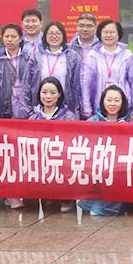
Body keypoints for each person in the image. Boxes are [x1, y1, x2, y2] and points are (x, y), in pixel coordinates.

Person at [24, 76, 79, 212]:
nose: (48, 96)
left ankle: (66, 198)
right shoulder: (33, 117)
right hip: (40, 161)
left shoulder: (69, 117)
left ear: (59, 94)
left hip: (61, 160)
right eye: (44, 92)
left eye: (52, 92)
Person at [78, 85, 132, 216]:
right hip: (97, 164)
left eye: (117, 100)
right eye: (109, 100)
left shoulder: (129, 122)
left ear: (122, 102)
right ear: (102, 101)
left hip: (119, 166)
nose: (112, 104)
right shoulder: (92, 122)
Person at [18, 21, 81, 119]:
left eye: (58, 33)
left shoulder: (72, 56)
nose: (54, 36)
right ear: (45, 36)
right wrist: (29, 111)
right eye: (50, 33)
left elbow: (77, 86)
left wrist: (75, 111)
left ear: (63, 36)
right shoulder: (36, 56)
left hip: (65, 109)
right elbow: (27, 84)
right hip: (40, 107)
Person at [80, 19, 133, 121]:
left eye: (112, 32)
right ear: (100, 34)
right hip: (99, 104)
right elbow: (86, 84)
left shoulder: (127, 55)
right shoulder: (92, 55)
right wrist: (87, 108)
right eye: (105, 32)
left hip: (122, 105)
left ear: (118, 34)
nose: (108, 35)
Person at [0, 24, 29, 119]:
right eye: (7, 36)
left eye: (13, 36)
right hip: (4, 107)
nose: (10, 39)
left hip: (27, 106)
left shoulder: (29, 59)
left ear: (20, 38)